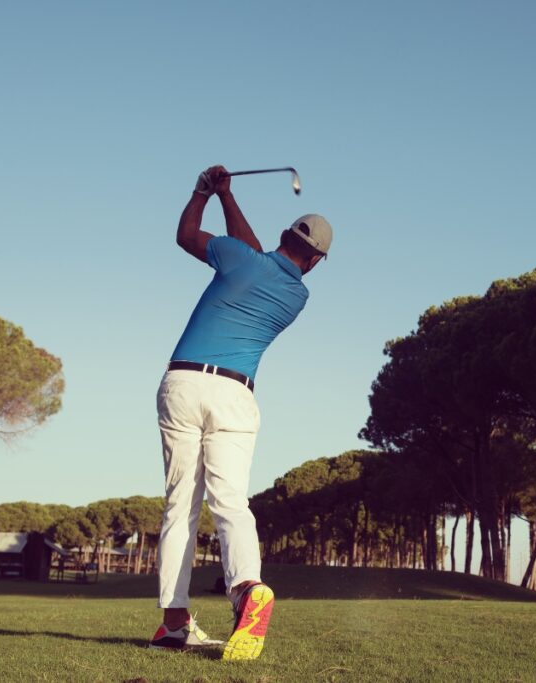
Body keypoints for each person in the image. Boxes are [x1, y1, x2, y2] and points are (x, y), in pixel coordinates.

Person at [148, 165, 332, 660]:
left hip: (183, 383)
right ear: (315, 261)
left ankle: (173, 621)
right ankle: (247, 588)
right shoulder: (298, 295)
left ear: (282, 236)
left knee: (180, 505)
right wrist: (229, 198)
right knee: (230, 502)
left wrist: (204, 192)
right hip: (236, 394)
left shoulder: (239, 258)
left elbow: (187, 234)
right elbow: (254, 255)